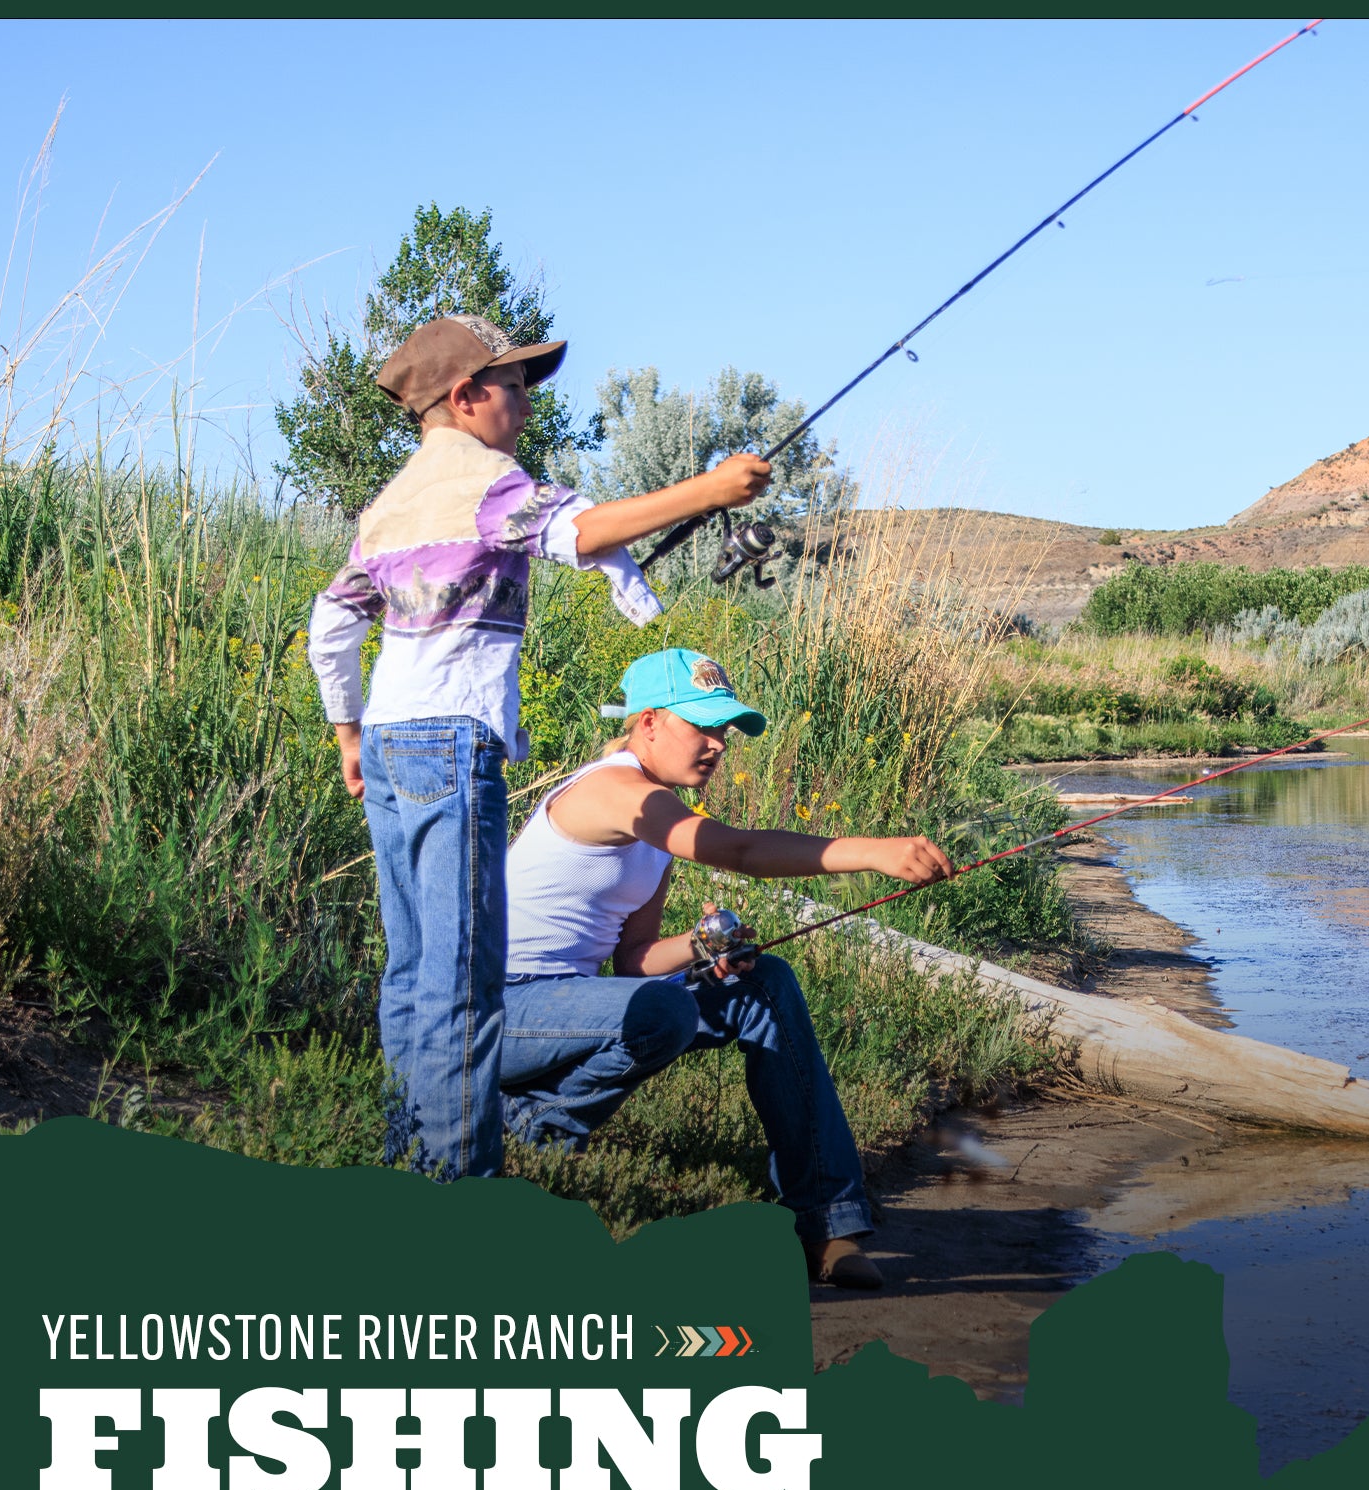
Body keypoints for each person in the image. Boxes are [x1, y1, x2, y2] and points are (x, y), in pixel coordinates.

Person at [306, 316, 771, 1181]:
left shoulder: (390, 505)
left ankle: (410, 1160)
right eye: (515, 388)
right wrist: (708, 490)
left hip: (394, 742)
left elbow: (329, 628)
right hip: (452, 745)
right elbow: (582, 532)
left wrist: (348, 732)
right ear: (465, 395)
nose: (526, 406)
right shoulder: (486, 481)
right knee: (462, 984)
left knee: (413, 974)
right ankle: (457, 1194)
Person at [500, 647, 957, 1288]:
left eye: (724, 731)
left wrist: (702, 947)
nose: (716, 745)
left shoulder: (654, 826)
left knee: (762, 986)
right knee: (661, 1009)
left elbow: (633, 960)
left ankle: (831, 1227)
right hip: (502, 1011)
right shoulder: (614, 790)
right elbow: (736, 848)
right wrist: (875, 852)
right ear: (650, 722)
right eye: (702, 727)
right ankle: (524, 1133)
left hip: (571, 1002)